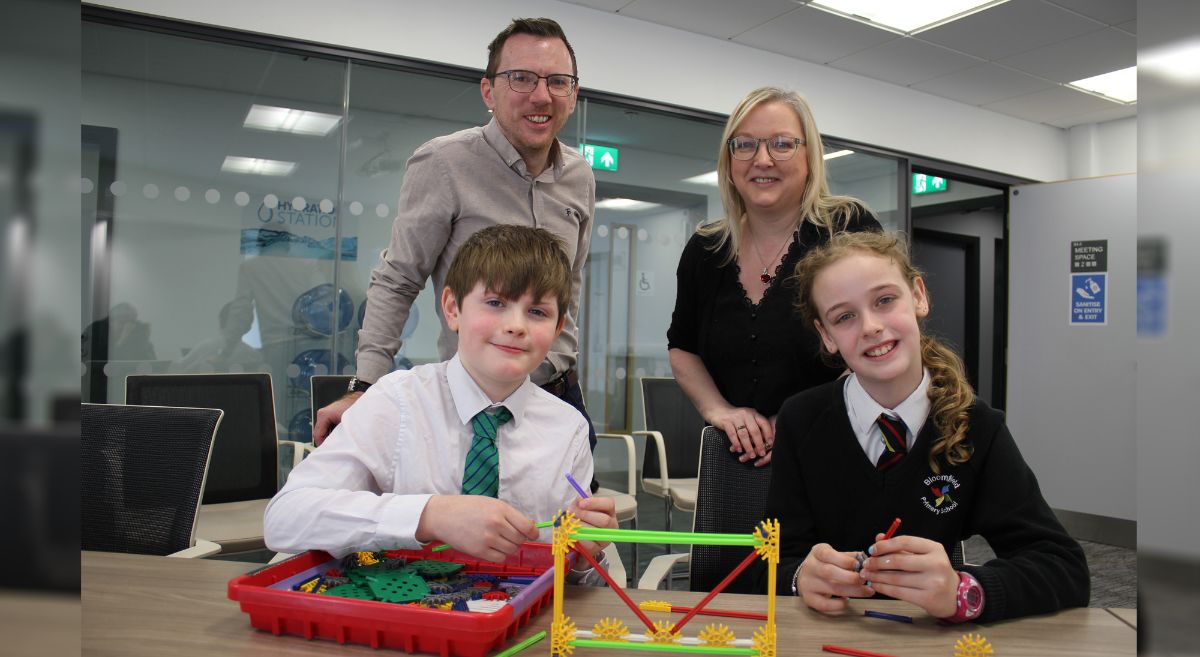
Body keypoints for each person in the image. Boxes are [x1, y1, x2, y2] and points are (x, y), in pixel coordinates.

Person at [759, 230, 1089, 622]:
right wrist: (798, 576)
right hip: (826, 636)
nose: (870, 327)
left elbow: (1064, 568)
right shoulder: (801, 420)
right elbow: (770, 557)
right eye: (844, 317)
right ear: (826, 335)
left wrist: (964, 590)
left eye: (885, 300)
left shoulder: (976, 427)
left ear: (918, 295)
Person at [264, 226, 616, 576]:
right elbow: (285, 517)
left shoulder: (567, 429)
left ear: (557, 330)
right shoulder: (395, 401)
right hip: (406, 617)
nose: (516, 325)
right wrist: (429, 515)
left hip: (524, 617)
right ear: (452, 309)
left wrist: (585, 556)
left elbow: (569, 571)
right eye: (495, 303)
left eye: (538, 312)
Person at [314, 17, 595, 451]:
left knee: (566, 519)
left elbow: (569, 287)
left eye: (558, 81)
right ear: (488, 91)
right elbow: (398, 279)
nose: (541, 95)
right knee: (474, 518)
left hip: (559, 397)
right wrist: (365, 385)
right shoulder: (444, 163)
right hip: (477, 402)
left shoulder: (580, 176)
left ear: (573, 95)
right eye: (521, 78)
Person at [667, 87, 880, 467]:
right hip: (736, 460)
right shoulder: (705, 249)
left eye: (782, 144)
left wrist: (803, 419)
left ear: (810, 157)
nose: (762, 160)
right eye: (745, 144)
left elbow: (880, 341)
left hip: (837, 452)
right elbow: (683, 348)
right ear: (729, 160)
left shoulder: (847, 229)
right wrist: (721, 412)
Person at [171, 301, 265, 373]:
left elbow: (177, 370)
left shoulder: (205, 347)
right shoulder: (254, 355)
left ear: (221, 319)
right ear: (248, 326)